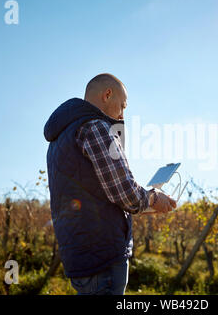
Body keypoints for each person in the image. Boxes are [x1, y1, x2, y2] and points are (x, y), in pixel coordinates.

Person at [43, 73, 177, 295]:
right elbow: (126, 194)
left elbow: (96, 197)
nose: (122, 115)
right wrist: (153, 197)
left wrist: (144, 207)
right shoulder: (96, 127)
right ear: (107, 94)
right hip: (102, 256)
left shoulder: (61, 136)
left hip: (80, 254)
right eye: (122, 105)